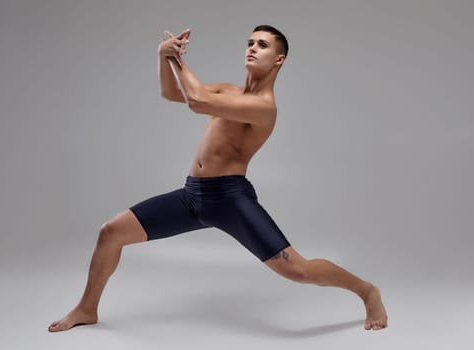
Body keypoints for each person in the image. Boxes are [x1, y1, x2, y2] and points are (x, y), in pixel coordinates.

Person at [48, 25, 388, 332]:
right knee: (110, 233)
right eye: (250, 42)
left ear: (278, 59)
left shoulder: (264, 106)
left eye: (263, 45)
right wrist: (163, 57)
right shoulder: (228, 92)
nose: (252, 48)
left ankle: (367, 291)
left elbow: (196, 101)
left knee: (297, 270)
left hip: (229, 199)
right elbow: (173, 94)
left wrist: (178, 60)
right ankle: (86, 309)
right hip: (190, 196)